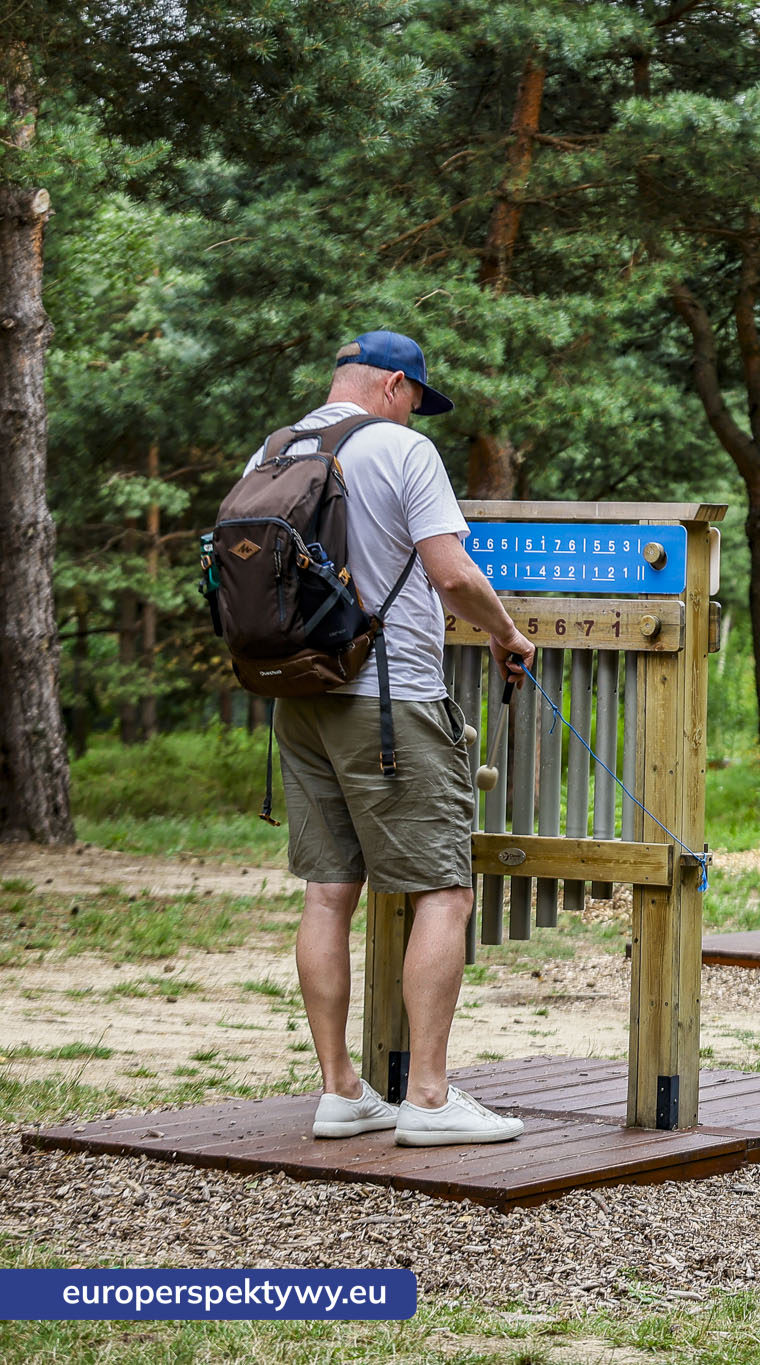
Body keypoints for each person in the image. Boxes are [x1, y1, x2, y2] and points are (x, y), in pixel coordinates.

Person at [257, 331, 538, 1145]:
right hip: (389, 702)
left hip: (300, 696)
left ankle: (341, 1090)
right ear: (389, 384)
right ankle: (428, 1097)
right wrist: (507, 633)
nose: (420, 410)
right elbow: (451, 573)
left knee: (326, 892)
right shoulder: (402, 451)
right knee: (443, 891)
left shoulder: (275, 447)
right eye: (416, 394)